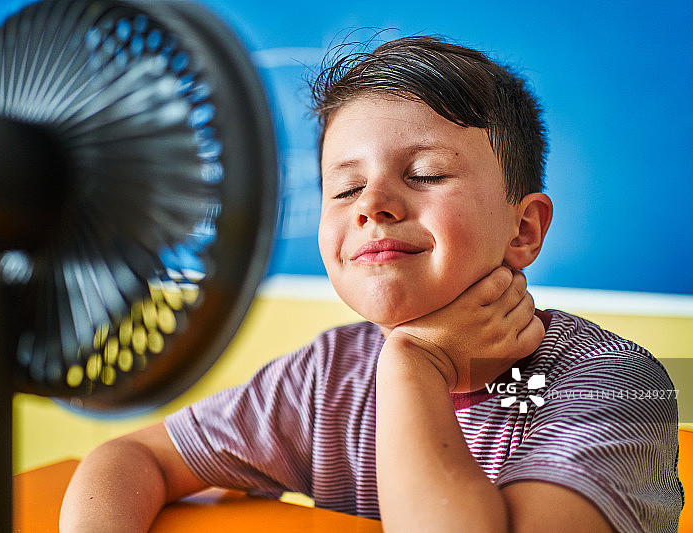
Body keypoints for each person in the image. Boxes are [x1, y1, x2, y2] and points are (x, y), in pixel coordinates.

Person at [59, 36, 682, 532]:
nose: (373, 205)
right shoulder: (324, 378)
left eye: (425, 173)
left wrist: (416, 360)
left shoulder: (612, 382)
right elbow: (127, 460)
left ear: (523, 229)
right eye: (346, 187)